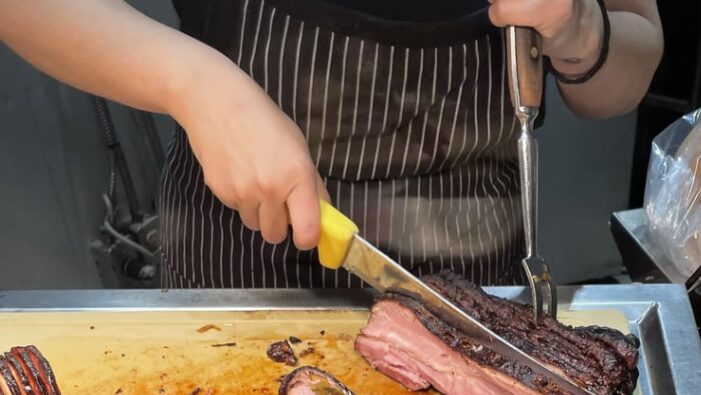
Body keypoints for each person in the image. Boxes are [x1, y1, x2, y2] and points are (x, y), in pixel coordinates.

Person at [0, 1, 662, 287]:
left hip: (476, 289)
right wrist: (193, 84)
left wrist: (579, 27)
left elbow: (628, 62)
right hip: (237, 266)